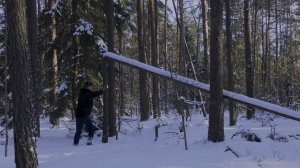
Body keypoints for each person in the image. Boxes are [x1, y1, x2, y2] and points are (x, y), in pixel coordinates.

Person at [74, 81, 103, 145]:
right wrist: (85, 111)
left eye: (92, 86)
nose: (92, 88)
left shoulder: (88, 93)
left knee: (91, 129)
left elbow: (94, 94)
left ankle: (89, 142)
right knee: (79, 130)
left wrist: (102, 91)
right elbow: (82, 103)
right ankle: (75, 143)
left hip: (85, 115)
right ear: (87, 87)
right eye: (91, 86)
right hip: (80, 115)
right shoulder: (84, 93)